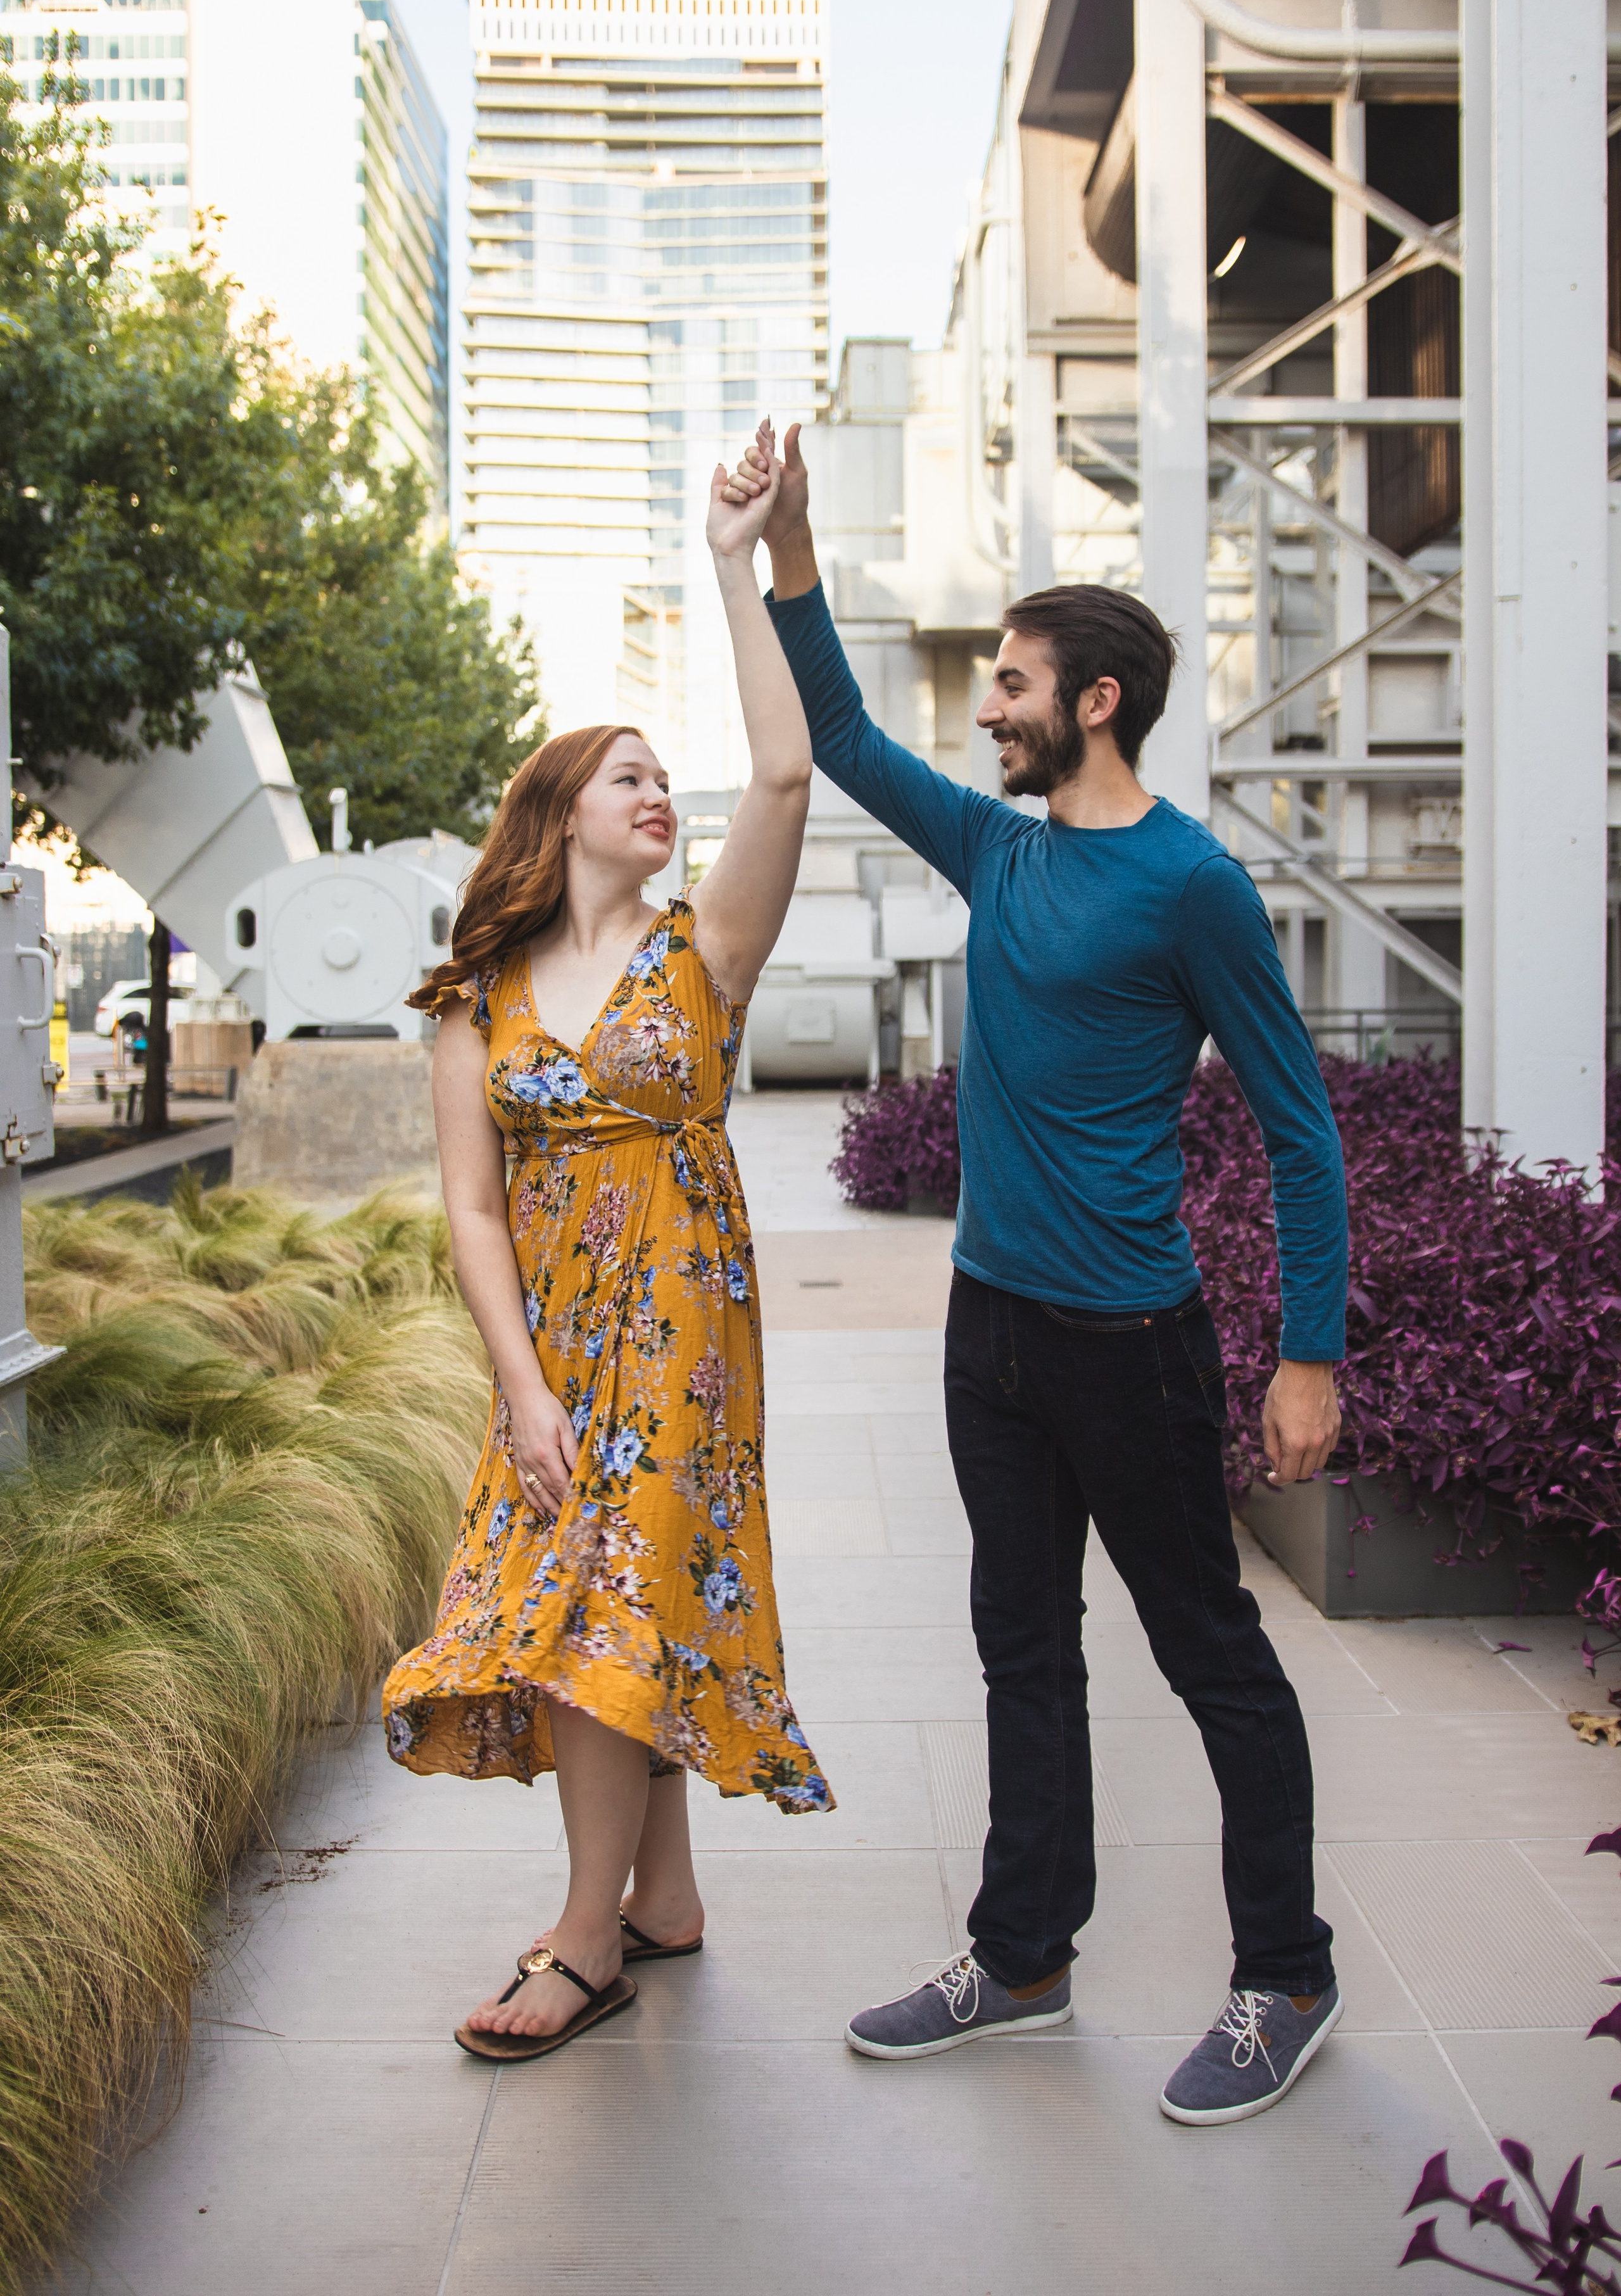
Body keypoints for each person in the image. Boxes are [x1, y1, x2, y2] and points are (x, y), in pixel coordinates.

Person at [721, 422, 1348, 2126]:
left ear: (1095, 703)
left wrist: (1308, 1355)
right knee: (1019, 1645)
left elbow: (1303, 1133)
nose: (987, 706)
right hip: (987, 1323)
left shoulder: (1192, 887)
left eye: (1010, 683)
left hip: (1133, 1339)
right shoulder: (999, 848)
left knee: (1211, 1648)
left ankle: (1285, 1974)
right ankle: (1023, 1954)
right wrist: (787, 549)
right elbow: (842, 734)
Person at [383, 430, 831, 2065]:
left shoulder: (705, 948)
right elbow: (474, 1207)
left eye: (666, 778)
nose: (664, 794)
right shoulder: (475, 1000)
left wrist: (736, 562)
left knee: (601, 1607)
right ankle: (666, 1900)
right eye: (631, 774)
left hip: (686, 1325)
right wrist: (518, 1386)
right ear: (558, 812)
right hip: (553, 1343)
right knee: (601, 1594)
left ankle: (585, 1942)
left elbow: (782, 776)